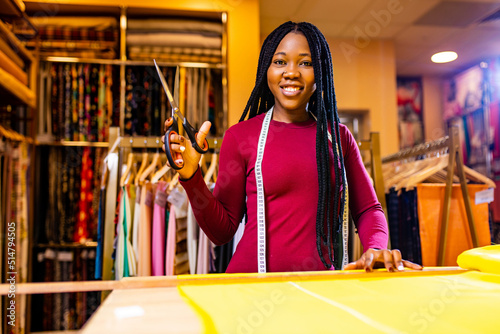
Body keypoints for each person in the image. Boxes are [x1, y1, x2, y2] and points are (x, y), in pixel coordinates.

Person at [163, 21, 423, 273]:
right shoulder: (240, 137)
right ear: (267, 68)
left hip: (319, 287)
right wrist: (191, 176)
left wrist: (376, 248)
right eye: (280, 61)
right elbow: (221, 233)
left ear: (319, 73)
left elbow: (368, 209)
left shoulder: (339, 138)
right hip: (251, 287)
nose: (291, 72)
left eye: (305, 63)